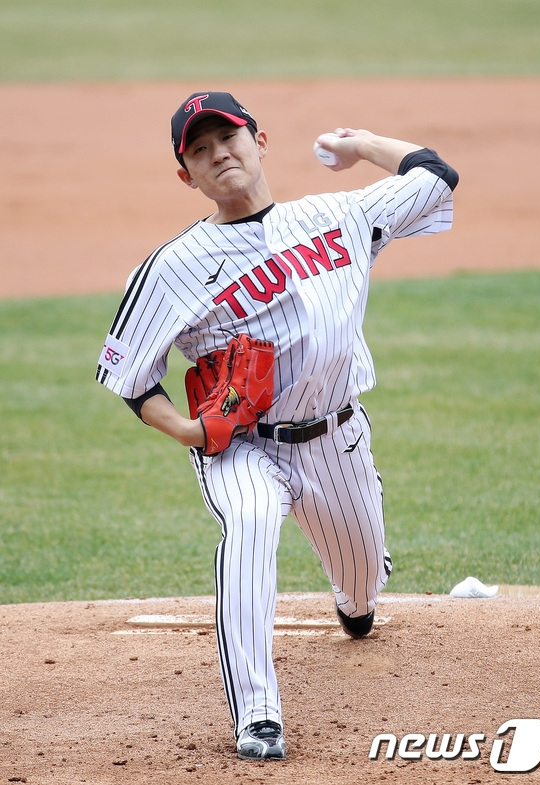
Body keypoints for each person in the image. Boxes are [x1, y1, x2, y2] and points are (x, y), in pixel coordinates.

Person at [96, 91, 458, 761]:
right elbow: (129, 375)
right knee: (251, 522)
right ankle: (257, 714)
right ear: (186, 176)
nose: (218, 155)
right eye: (199, 151)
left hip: (337, 439)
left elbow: (435, 176)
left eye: (228, 138)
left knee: (361, 587)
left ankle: (356, 595)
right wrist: (188, 431)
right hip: (241, 449)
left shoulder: (340, 215)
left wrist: (360, 143)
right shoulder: (171, 269)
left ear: (258, 142)